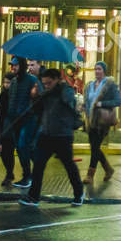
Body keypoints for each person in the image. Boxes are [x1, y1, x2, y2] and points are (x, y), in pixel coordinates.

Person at [21, 67, 85, 207]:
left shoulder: (66, 90)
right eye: (44, 83)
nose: (46, 85)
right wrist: (36, 96)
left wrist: (55, 90)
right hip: (46, 134)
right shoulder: (46, 93)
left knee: (69, 166)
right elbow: (37, 110)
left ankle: (79, 193)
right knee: (38, 165)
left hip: (63, 135)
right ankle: (33, 196)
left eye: (49, 82)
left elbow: (69, 101)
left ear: (57, 80)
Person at [0, 57, 39, 188]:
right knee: (21, 148)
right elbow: (11, 100)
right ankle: (30, 173)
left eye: (15, 65)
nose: (13, 68)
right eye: (12, 65)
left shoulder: (32, 80)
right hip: (15, 120)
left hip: (28, 119)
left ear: (21, 66)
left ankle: (28, 176)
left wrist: (29, 108)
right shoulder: (15, 82)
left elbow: (37, 99)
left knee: (23, 145)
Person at [83, 61, 120, 187]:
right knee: (94, 147)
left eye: (99, 69)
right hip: (91, 121)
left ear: (104, 71)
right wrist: (83, 106)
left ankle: (90, 175)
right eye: (95, 69)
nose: (97, 71)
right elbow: (88, 101)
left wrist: (102, 104)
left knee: (94, 147)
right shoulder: (90, 85)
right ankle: (108, 169)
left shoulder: (110, 85)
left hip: (102, 121)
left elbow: (118, 101)